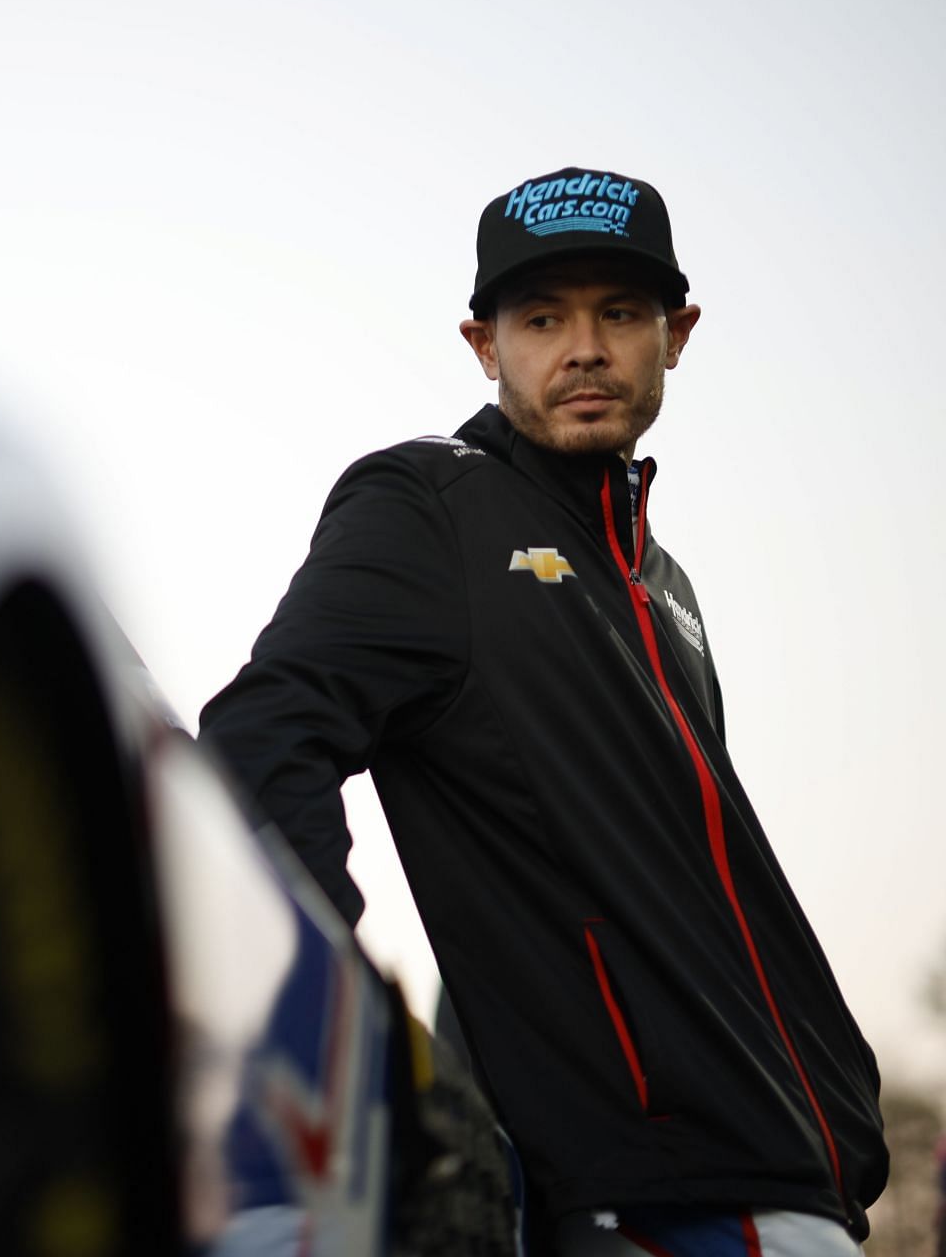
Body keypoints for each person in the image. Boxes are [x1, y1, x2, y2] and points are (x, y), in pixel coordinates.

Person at [198, 167, 888, 1253]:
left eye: (620, 313)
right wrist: (356, 1047)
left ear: (678, 331)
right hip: (660, 1202)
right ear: (485, 344)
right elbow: (256, 745)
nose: (584, 348)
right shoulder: (428, 505)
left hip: (804, 1179)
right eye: (541, 318)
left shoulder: (668, 588)